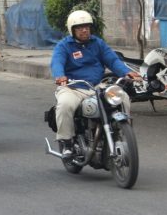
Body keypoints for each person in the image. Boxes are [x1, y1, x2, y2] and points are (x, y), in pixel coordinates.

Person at [51, 10, 140, 158]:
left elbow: (112, 60)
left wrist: (126, 72)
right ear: (72, 30)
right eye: (80, 27)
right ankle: (66, 142)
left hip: (97, 87)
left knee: (121, 96)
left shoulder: (97, 43)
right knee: (65, 105)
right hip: (73, 87)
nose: (84, 30)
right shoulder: (64, 46)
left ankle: (123, 130)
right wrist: (60, 76)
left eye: (87, 26)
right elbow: (57, 62)